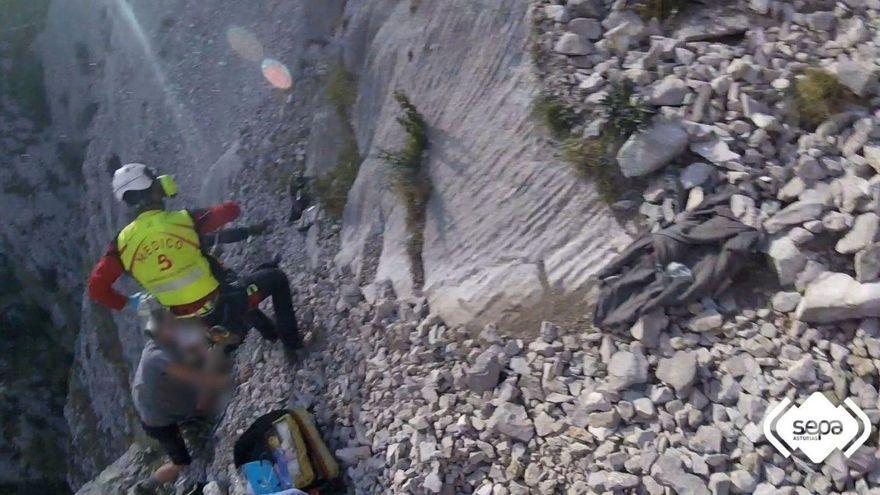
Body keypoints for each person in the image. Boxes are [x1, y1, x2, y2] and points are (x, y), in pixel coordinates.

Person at [87, 163, 301, 352]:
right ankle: (293, 347)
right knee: (275, 279)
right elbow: (231, 210)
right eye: (155, 182)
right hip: (223, 309)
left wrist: (126, 302)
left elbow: (96, 288)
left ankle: (270, 335)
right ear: (152, 188)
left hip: (189, 328)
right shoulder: (184, 220)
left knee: (234, 284)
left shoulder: (121, 244)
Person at [130, 310, 227, 495]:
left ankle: (191, 420)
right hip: (158, 421)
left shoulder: (158, 344)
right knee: (181, 462)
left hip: (156, 405)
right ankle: (145, 487)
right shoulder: (158, 357)